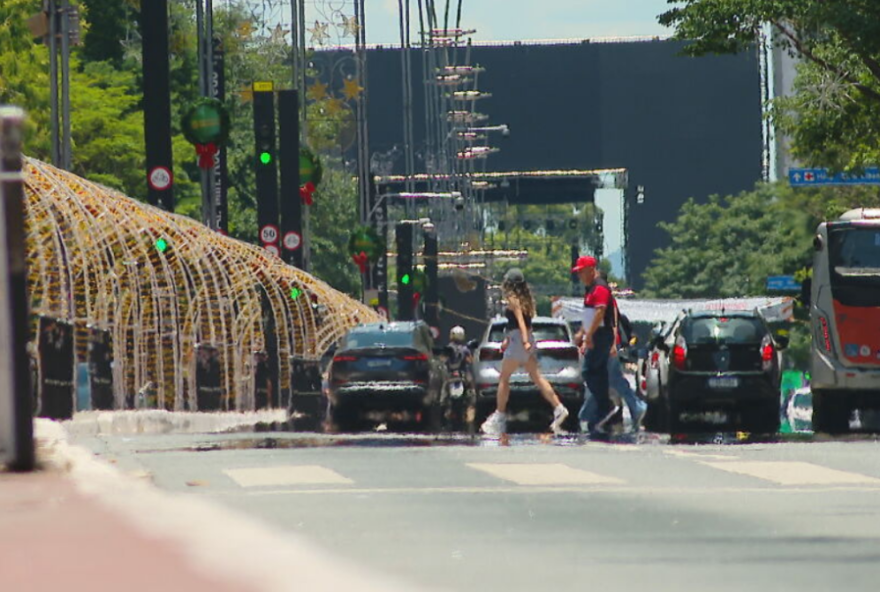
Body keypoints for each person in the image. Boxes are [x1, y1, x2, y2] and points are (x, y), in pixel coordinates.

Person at [480, 268, 570, 436]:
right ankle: (558, 407)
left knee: (504, 379)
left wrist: (523, 341)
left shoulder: (513, 299)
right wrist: (511, 341)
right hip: (522, 339)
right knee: (537, 377)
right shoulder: (527, 300)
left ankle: (499, 416)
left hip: (519, 341)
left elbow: (520, 322)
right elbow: (519, 324)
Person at [572, 256, 617, 435]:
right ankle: (603, 410)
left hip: (600, 335)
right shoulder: (590, 288)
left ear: (591, 269)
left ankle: (606, 407)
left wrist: (589, 335)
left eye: (581, 271)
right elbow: (589, 316)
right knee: (597, 372)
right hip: (594, 334)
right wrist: (582, 333)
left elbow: (600, 313)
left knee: (589, 371)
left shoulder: (599, 288)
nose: (580, 275)